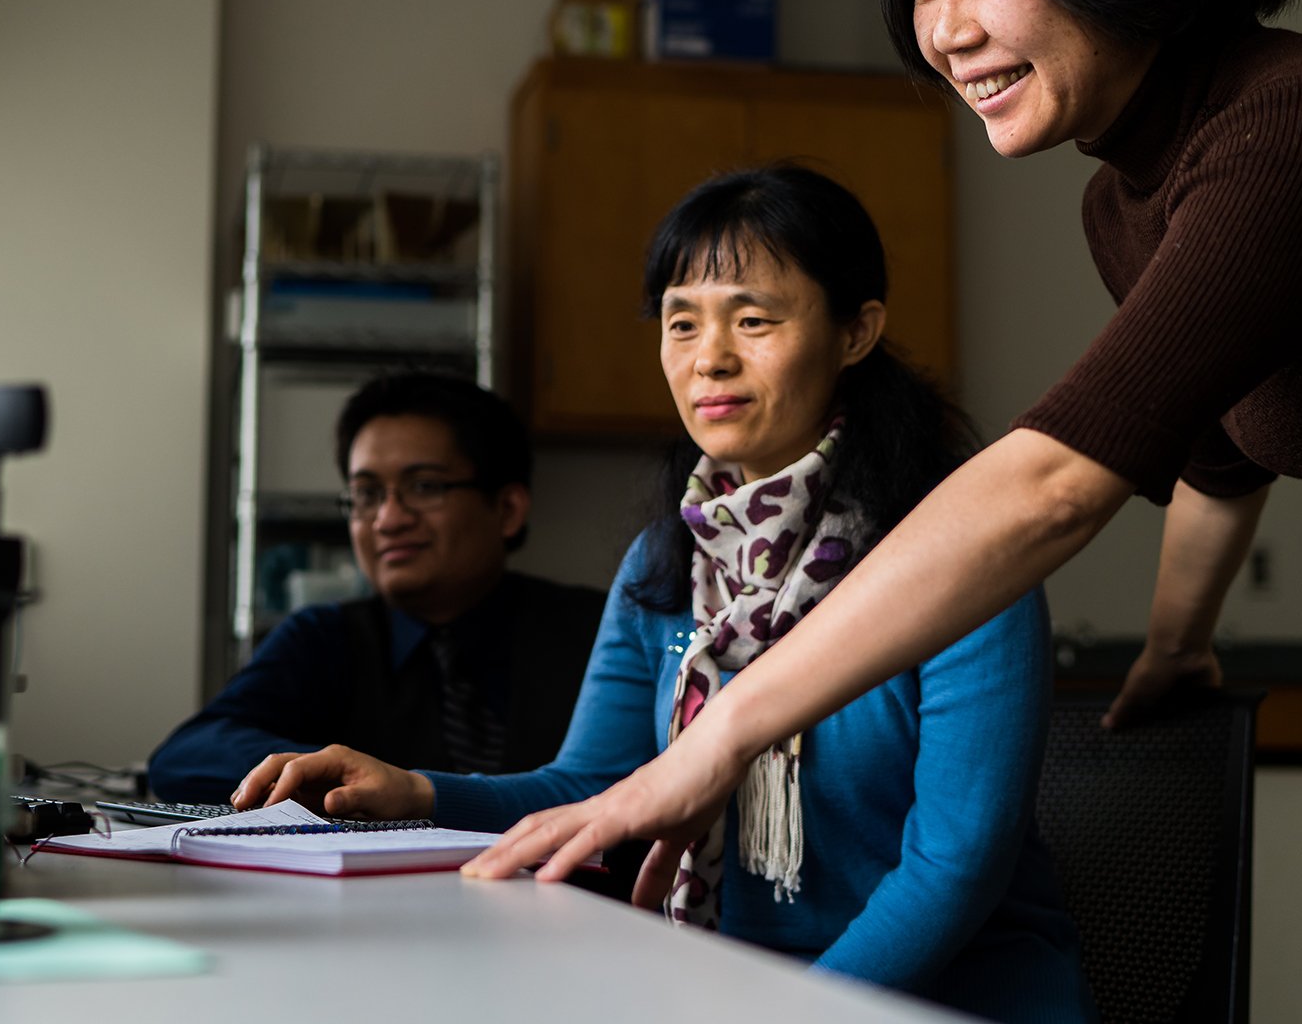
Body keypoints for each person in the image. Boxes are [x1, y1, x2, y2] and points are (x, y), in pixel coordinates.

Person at [458, 0, 1302, 1024]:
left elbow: (1055, 487)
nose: (945, 27)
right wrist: (1177, 648)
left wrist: (718, 740)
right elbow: (1218, 453)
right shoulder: (1128, 205)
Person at [236, 166, 1093, 1022]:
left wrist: (791, 1009)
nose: (709, 357)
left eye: (754, 320)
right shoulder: (668, 558)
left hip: (951, 998)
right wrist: (417, 795)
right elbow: (597, 782)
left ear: (856, 332)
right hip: (724, 987)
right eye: (682, 323)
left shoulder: (961, 553)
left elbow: (954, 866)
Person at [148, 372, 604, 803]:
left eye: (424, 487)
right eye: (367, 495)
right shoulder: (324, 638)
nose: (388, 520)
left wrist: (416, 789)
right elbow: (186, 755)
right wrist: (328, 772)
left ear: (507, 509)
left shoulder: (597, 632)